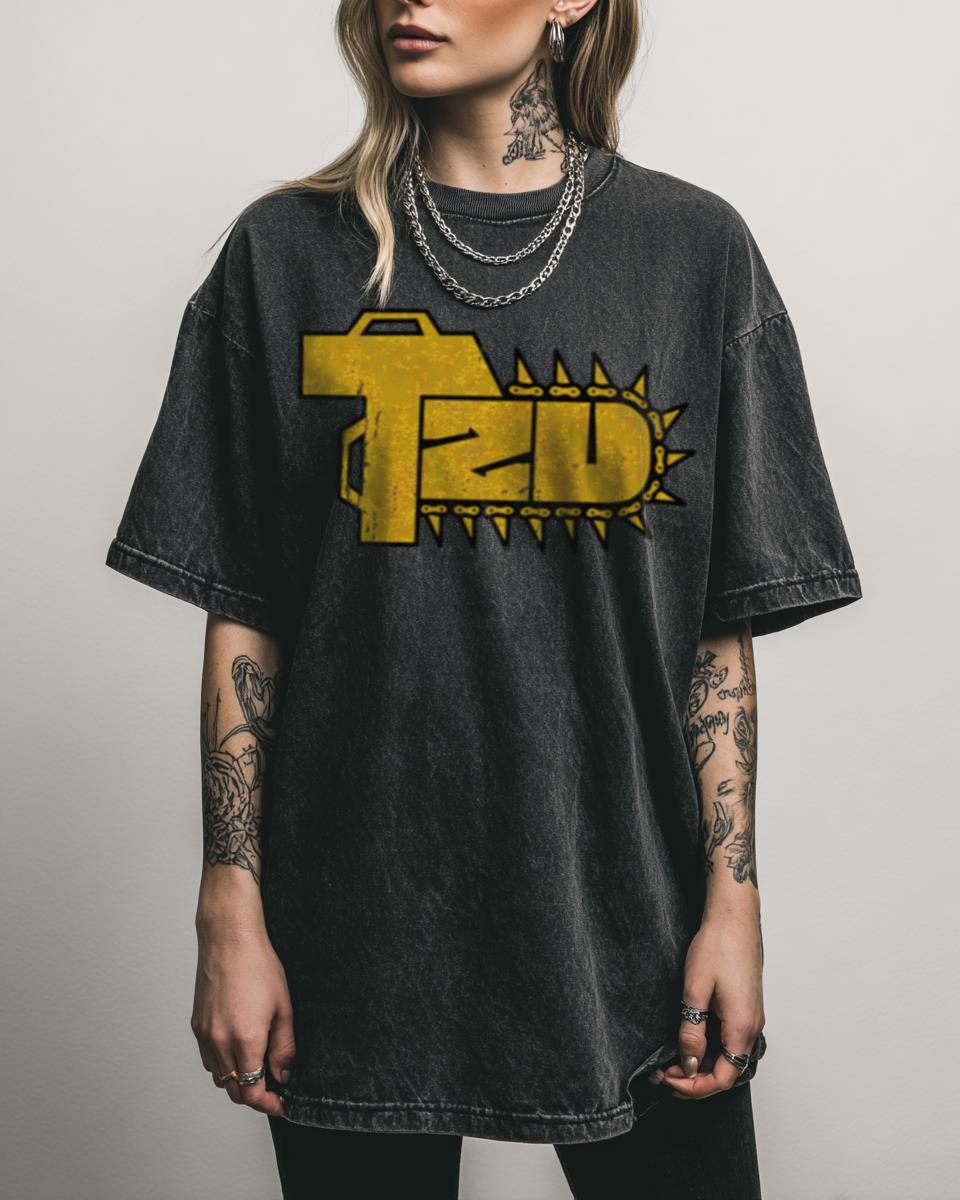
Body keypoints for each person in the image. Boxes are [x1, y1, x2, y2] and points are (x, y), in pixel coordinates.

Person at [104, 0, 863, 1196]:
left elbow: (715, 634)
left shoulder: (693, 253)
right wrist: (229, 905)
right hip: (351, 928)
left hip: (631, 921)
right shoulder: (284, 253)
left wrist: (734, 902)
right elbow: (245, 611)